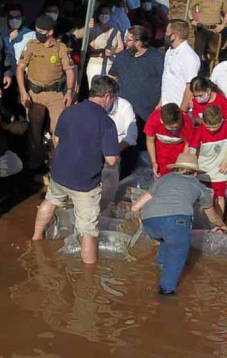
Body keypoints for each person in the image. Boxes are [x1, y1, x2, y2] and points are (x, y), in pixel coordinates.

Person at [31, 76, 121, 265]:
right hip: (85, 183)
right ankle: (88, 280)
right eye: (113, 100)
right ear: (106, 97)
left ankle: (36, 238)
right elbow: (112, 160)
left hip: (59, 173)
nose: (112, 103)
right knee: (88, 231)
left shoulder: (69, 111)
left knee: (51, 201)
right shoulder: (106, 122)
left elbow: (56, 139)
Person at [131, 152, 226, 295]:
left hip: (149, 221)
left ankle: (162, 266)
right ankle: (166, 293)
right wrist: (222, 224)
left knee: (167, 238)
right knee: (178, 250)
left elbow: (135, 207)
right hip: (176, 221)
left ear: (177, 169)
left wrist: (143, 222)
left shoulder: (163, 179)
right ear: (195, 173)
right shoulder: (199, 186)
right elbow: (212, 217)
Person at [16, 14, 75, 170]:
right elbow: (20, 68)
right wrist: (23, 92)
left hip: (55, 94)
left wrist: (69, 91)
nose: (38, 33)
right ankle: (37, 161)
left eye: (41, 30)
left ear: (50, 32)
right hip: (35, 93)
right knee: (34, 128)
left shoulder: (61, 48)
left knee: (58, 130)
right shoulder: (31, 45)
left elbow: (69, 71)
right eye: (36, 30)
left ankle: (59, 163)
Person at [109, 26, 164, 130]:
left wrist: (160, 103)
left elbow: (164, 82)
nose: (125, 42)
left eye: (128, 40)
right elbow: (112, 77)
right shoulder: (122, 56)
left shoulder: (156, 57)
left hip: (146, 113)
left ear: (138, 42)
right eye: (125, 38)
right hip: (123, 111)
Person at [187, 105, 227, 217]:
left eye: (215, 127)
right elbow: (192, 152)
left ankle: (220, 224)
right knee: (201, 196)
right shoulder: (199, 131)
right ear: (202, 121)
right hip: (202, 170)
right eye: (209, 127)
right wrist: (192, 169)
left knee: (219, 196)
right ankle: (203, 220)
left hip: (220, 169)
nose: (212, 130)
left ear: (222, 120)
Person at [99, 91, 138, 212]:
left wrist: (115, 149)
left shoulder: (125, 106)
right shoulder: (95, 107)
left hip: (122, 147)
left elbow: (132, 134)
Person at [75, 2, 124, 88]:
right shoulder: (93, 29)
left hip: (111, 66)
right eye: (102, 13)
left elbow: (120, 47)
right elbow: (90, 48)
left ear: (110, 14)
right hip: (95, 65)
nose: (104, 15)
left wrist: (112, 51)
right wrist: (102, 52)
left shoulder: (115, 28)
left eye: (106, 13)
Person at [189, 0, 227, 74]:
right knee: (197, 54)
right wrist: (192, 20)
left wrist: (223, 25)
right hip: (201, 29)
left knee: (214, 55)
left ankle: (213, 75)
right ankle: (196, 75)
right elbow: (190, 7)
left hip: (215, 30)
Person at [144, 103, 194, 179]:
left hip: (180, 148)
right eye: (171, 128)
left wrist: (181, 164)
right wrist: (154, 162)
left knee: (179, 176)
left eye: (177, 127)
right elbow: (150, 141)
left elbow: (188, 144)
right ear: (161, 121)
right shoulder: (153, 119)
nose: (175, 130)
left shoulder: (186, 121)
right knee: (161, 176)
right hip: (160, 149)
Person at [160, 20, 200, 110]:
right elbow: (166, 80)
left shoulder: (189, 57)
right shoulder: (169, 51)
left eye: (167, 32)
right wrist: (160, 103)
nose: (165, 35)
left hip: (179, 108)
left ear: (174, 35)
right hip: (166, 106)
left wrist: (182, 111)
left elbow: (190, 87)